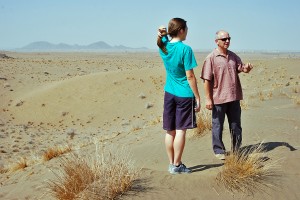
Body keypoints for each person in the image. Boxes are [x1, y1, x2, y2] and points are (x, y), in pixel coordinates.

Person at [157, 18, 201, 174]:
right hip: (184, 95)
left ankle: (171, 164)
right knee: (181, 130)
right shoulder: (185, 49)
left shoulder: (164, 46)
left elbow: (162, 37)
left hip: (169, 93)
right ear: (181, 30)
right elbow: (190, 76)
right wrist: (197, 97)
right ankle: (177, 165)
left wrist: (161, 32)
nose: (188, 31)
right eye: (186, 28)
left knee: (170, 131)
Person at [200, 30, 253, 160]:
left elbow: (241, 68)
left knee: (236, 125)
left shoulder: (233, 56)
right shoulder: (211, 58)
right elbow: (206, 80)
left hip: (234, 97)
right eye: (224, 39)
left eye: (229, 38)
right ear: (216, 41)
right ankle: (218, 150)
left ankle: (236, 149)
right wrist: (208, 99)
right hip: (218, 98)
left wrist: (246, 69)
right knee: (217, 125)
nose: (227, 41)